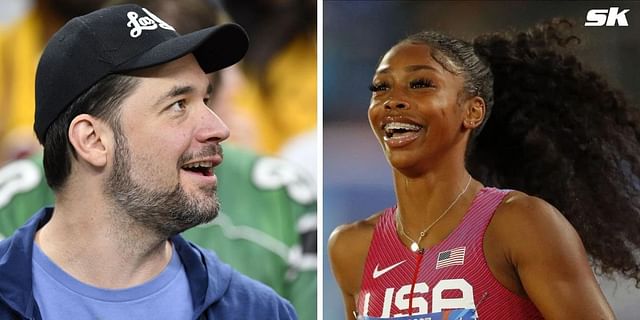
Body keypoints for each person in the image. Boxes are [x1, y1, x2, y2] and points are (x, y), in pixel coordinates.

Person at [0, 0, 317, 318]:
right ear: (93, 140)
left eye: (206, 99)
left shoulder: (259, 311)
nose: (219, 129)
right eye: (179, 105)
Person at [328, 20, 640, 319]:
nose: (393, 100)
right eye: (381, 87)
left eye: (420, 84)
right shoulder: (351, 248)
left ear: (472, 111)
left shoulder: (521, 225)